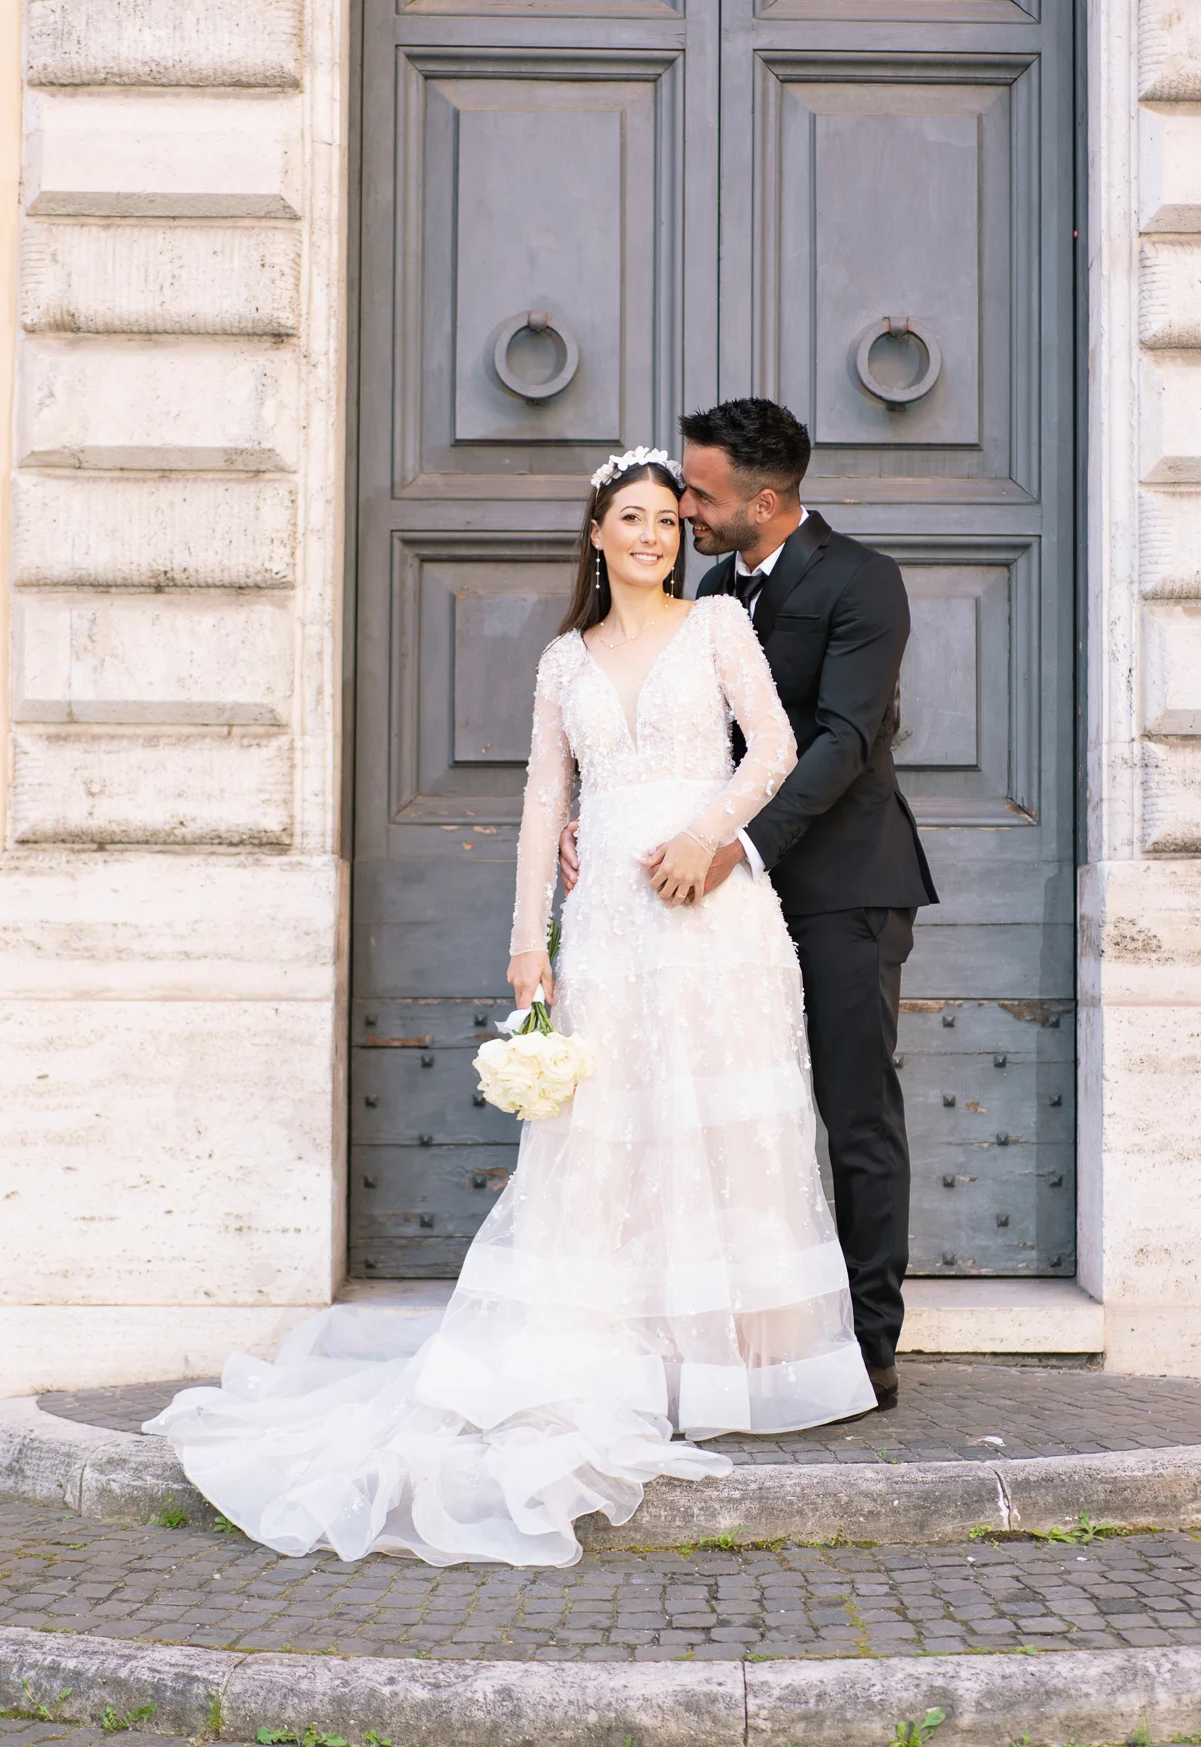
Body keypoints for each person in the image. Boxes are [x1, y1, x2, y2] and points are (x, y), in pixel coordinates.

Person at [145, 449, 873, 1569]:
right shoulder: (562, 661)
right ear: (595, 532)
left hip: (714, 912)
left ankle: (722, 1370)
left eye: (668, 523)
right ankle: (628, 1357)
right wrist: (526, 941)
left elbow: (776, 745)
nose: (652, 538)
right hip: (612, 932)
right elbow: (545, 805)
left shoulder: (720, 626)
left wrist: (710, 834)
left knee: (724, 1128)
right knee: (613, 1136)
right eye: (630, 520)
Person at [564, 403, 938, 1411]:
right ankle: (732, 1334)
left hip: (841, 886)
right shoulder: (717, 588)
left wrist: (739, 846)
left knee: (855, 1113)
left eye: (700, 494)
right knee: (731, 1117)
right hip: (713, 904)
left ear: (764, 501)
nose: (683, 510)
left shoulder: (864, 581)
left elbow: (845, 739)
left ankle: (867, 1341)